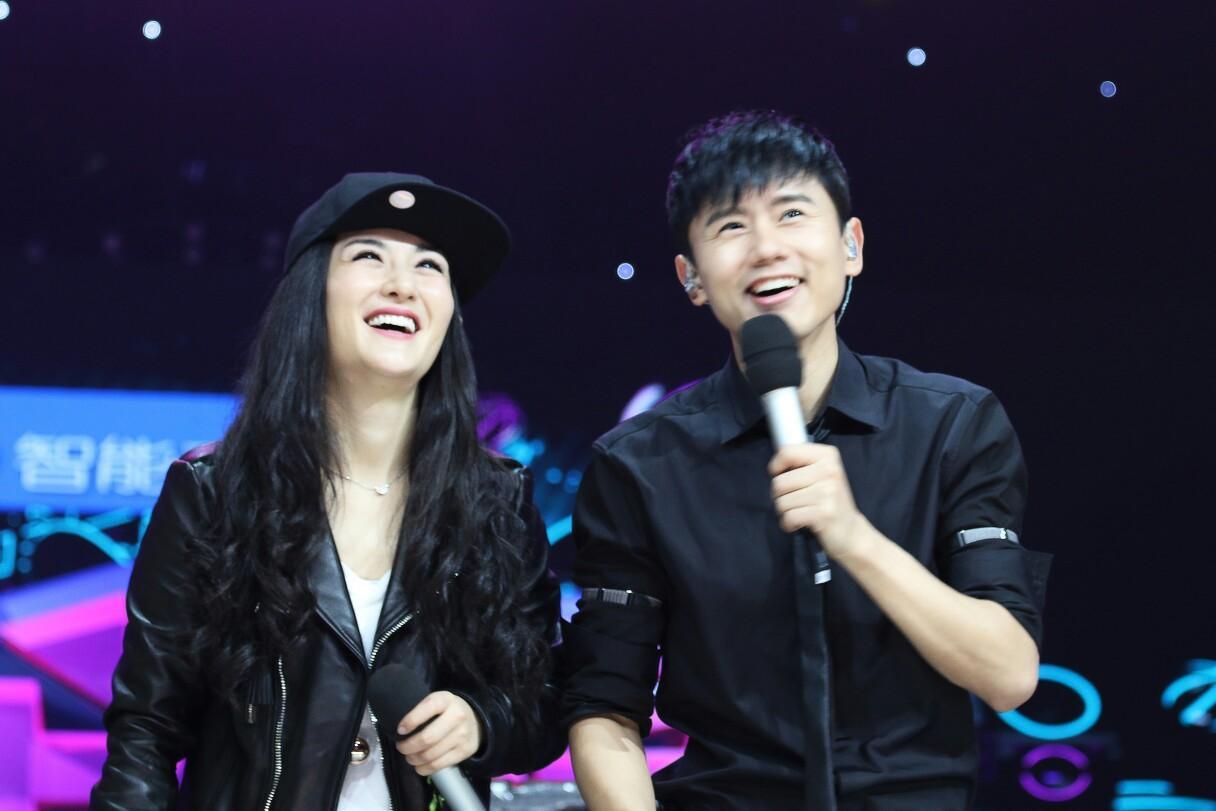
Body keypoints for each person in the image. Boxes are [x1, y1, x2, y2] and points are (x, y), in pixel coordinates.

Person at [562, 111, 1052, 810]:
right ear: (691, 277)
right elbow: (605, 704)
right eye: (731, 226)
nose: (767, 248)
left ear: (851, 245)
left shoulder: (953, 424)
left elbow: (1008, 675)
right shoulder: (639, 464)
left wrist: (854, 537)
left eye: (792, 213)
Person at [91, 172, 566, 810]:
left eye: (430, 266)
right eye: (369, 256)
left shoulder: (498, 502)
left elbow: (542, 701)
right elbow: (146, 729)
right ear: (310, 294)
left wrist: (483, 721)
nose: (402, 284)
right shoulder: (214, 491)